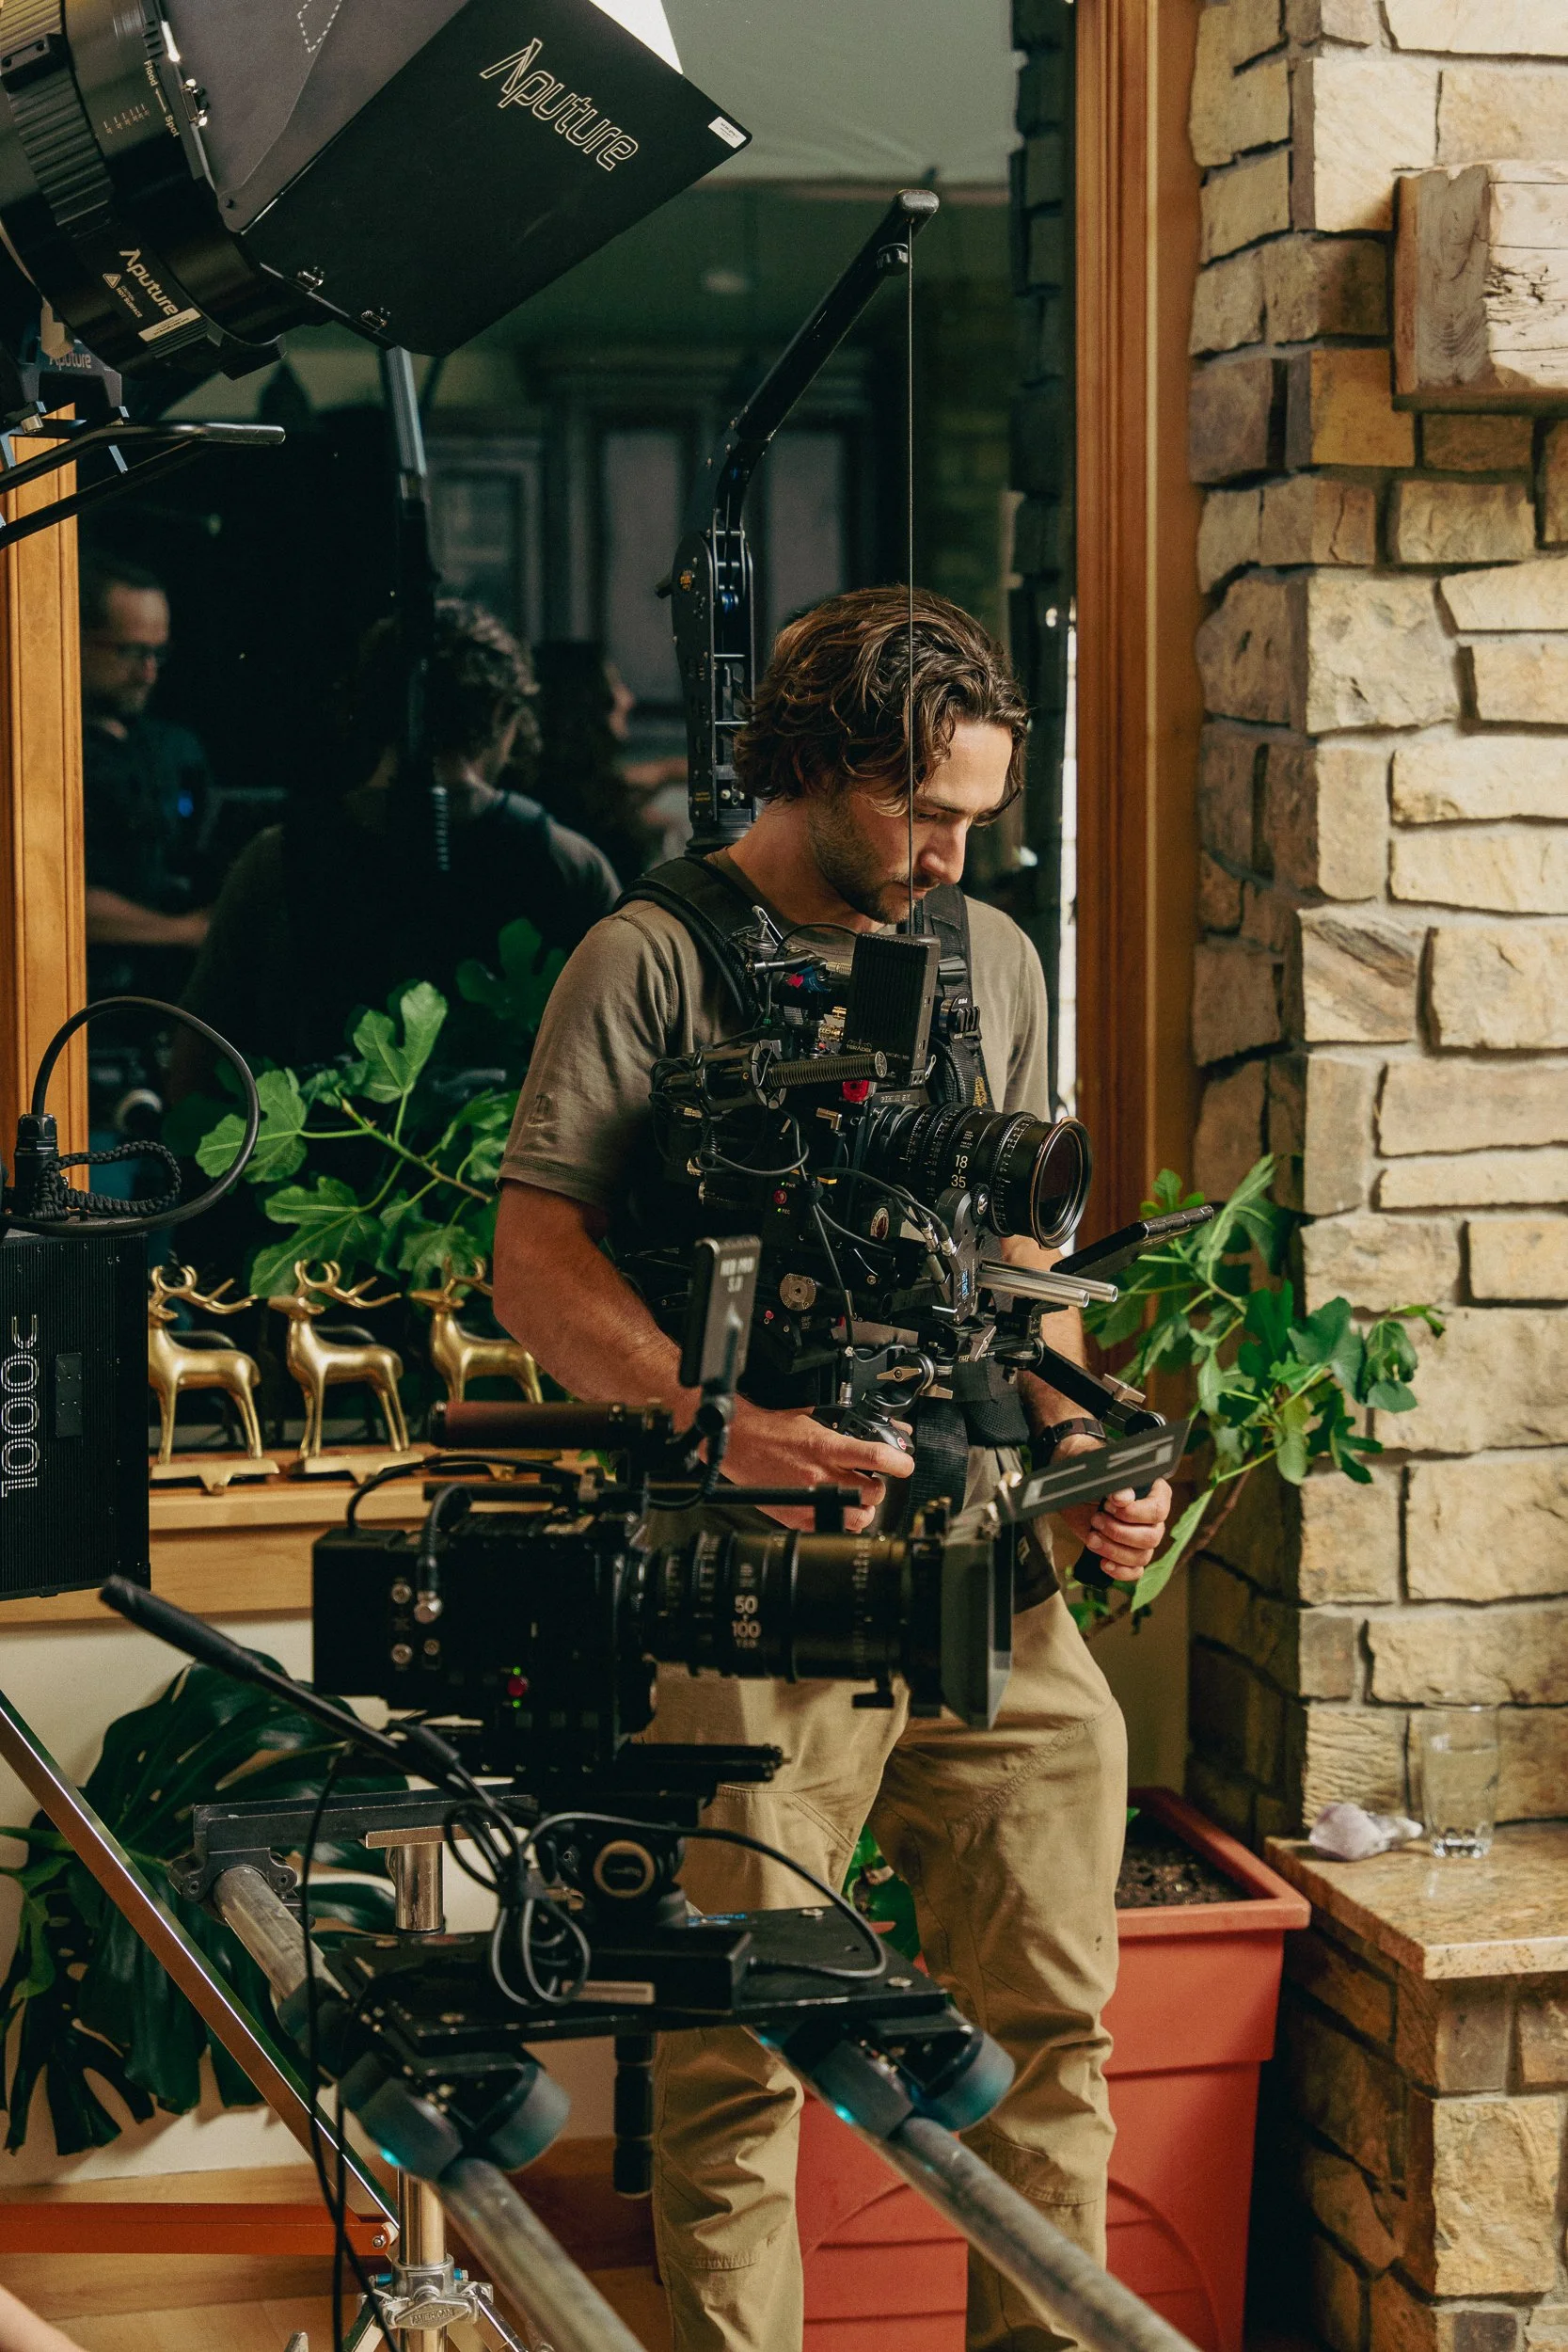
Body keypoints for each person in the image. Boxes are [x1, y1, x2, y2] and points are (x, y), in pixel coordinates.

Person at [492, 585, 1173, 2352]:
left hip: (983, 1561)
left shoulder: (993, 957)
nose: (953, 855)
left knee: (1049, 2032)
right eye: (924, 813)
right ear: (808, 766)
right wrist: (713, 1424)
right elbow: (537, 1264)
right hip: (757, 1576)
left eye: (975, 819)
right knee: (741, 2050)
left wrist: (1081, 1440)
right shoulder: (643, 956)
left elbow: (1021, 1277)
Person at [179, 599, 621, 1077]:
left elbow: (197, 1052)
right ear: (501, 712)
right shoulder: (568, 862)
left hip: (325, 1147)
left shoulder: (276, 858)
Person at [80, 553, 214, 990]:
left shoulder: (171, 748)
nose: (149, 673)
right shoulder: (46, 756)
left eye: (159, 653)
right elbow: (50, 895)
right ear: (77, 639)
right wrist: (184, 931)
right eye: (132, 652)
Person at [528, 639, 673, 881]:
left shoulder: (564, 789)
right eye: (615, 685)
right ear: (587, 700)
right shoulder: (586, 813)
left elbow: (658, 773)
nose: (628, 699)